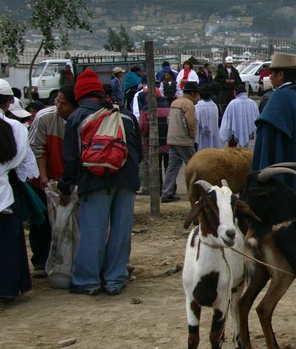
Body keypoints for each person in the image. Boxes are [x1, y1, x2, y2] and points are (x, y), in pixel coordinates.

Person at [57, 70, 141, 296]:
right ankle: (115, 279)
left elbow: (71, 158)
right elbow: (137, 152)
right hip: (126, 180)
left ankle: (88, 281)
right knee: (121, 231)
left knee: (93, 230)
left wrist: (65, 184)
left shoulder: (77, 118)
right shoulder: (123, 114)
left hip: (94, 180)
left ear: (79, 94)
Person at [0, 79, 35, 306]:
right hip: (2, 195)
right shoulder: (16, 128)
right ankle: (3, 291)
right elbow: (21, 164)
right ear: (10, 102)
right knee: (3, 244)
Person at [28, 84, 78, 276]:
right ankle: (41, 261)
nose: (58, 106)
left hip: (67, 179)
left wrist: (67, 184)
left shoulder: (79, 120)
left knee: (68, 222)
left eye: (63, 103)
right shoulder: (45, 118)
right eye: (57, 101)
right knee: (42, 222)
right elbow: (36, 148)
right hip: (44, 179)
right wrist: (43, 176)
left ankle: (66, 261)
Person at [252, 52, 296, 190]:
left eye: (271, 73)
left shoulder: (278, 97)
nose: (269, 77)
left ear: (280, 75)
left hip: (283, 178)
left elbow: (266, 138)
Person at [161, 81, 200, 203]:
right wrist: (192, 137)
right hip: (184, 141)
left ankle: (166, 193)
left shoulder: (175, 102)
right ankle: (198, 192)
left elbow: (168, 120)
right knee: (196, 167)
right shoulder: (189, 104)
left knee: (172, 167)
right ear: (193, 93)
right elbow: (190, 123)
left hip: (172, 138)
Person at [219, 83, 259, 148]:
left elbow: (227, 120)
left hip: (234, 132)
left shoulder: (233, 103)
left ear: (235, 92)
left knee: (233, 151)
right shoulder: (252, 103)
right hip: (247, 130)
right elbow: (256, 117)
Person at [195, 85, 222, 150]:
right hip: (214, 135)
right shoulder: (214, 105)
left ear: (199, 95)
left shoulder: (198, 106)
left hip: (202, 138)